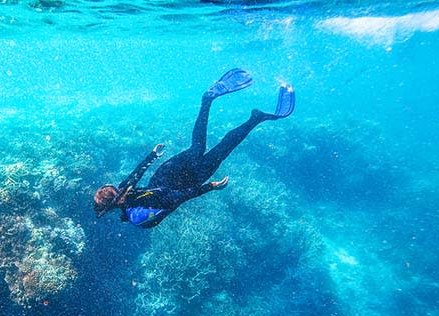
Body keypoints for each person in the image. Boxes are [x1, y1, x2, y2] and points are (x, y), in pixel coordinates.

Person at [93, 68, 295, 228]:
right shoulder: (136, 213)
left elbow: (176, 197)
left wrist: (209, 187)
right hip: (167, 174)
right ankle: (212, 102)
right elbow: (139, 175)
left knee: (220, 149)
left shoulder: (135, 211)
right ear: (115, 199)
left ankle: (254, 118)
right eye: (116, 191)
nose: (121, 189)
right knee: (200, 147)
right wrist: (153, 156)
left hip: (184, 181)